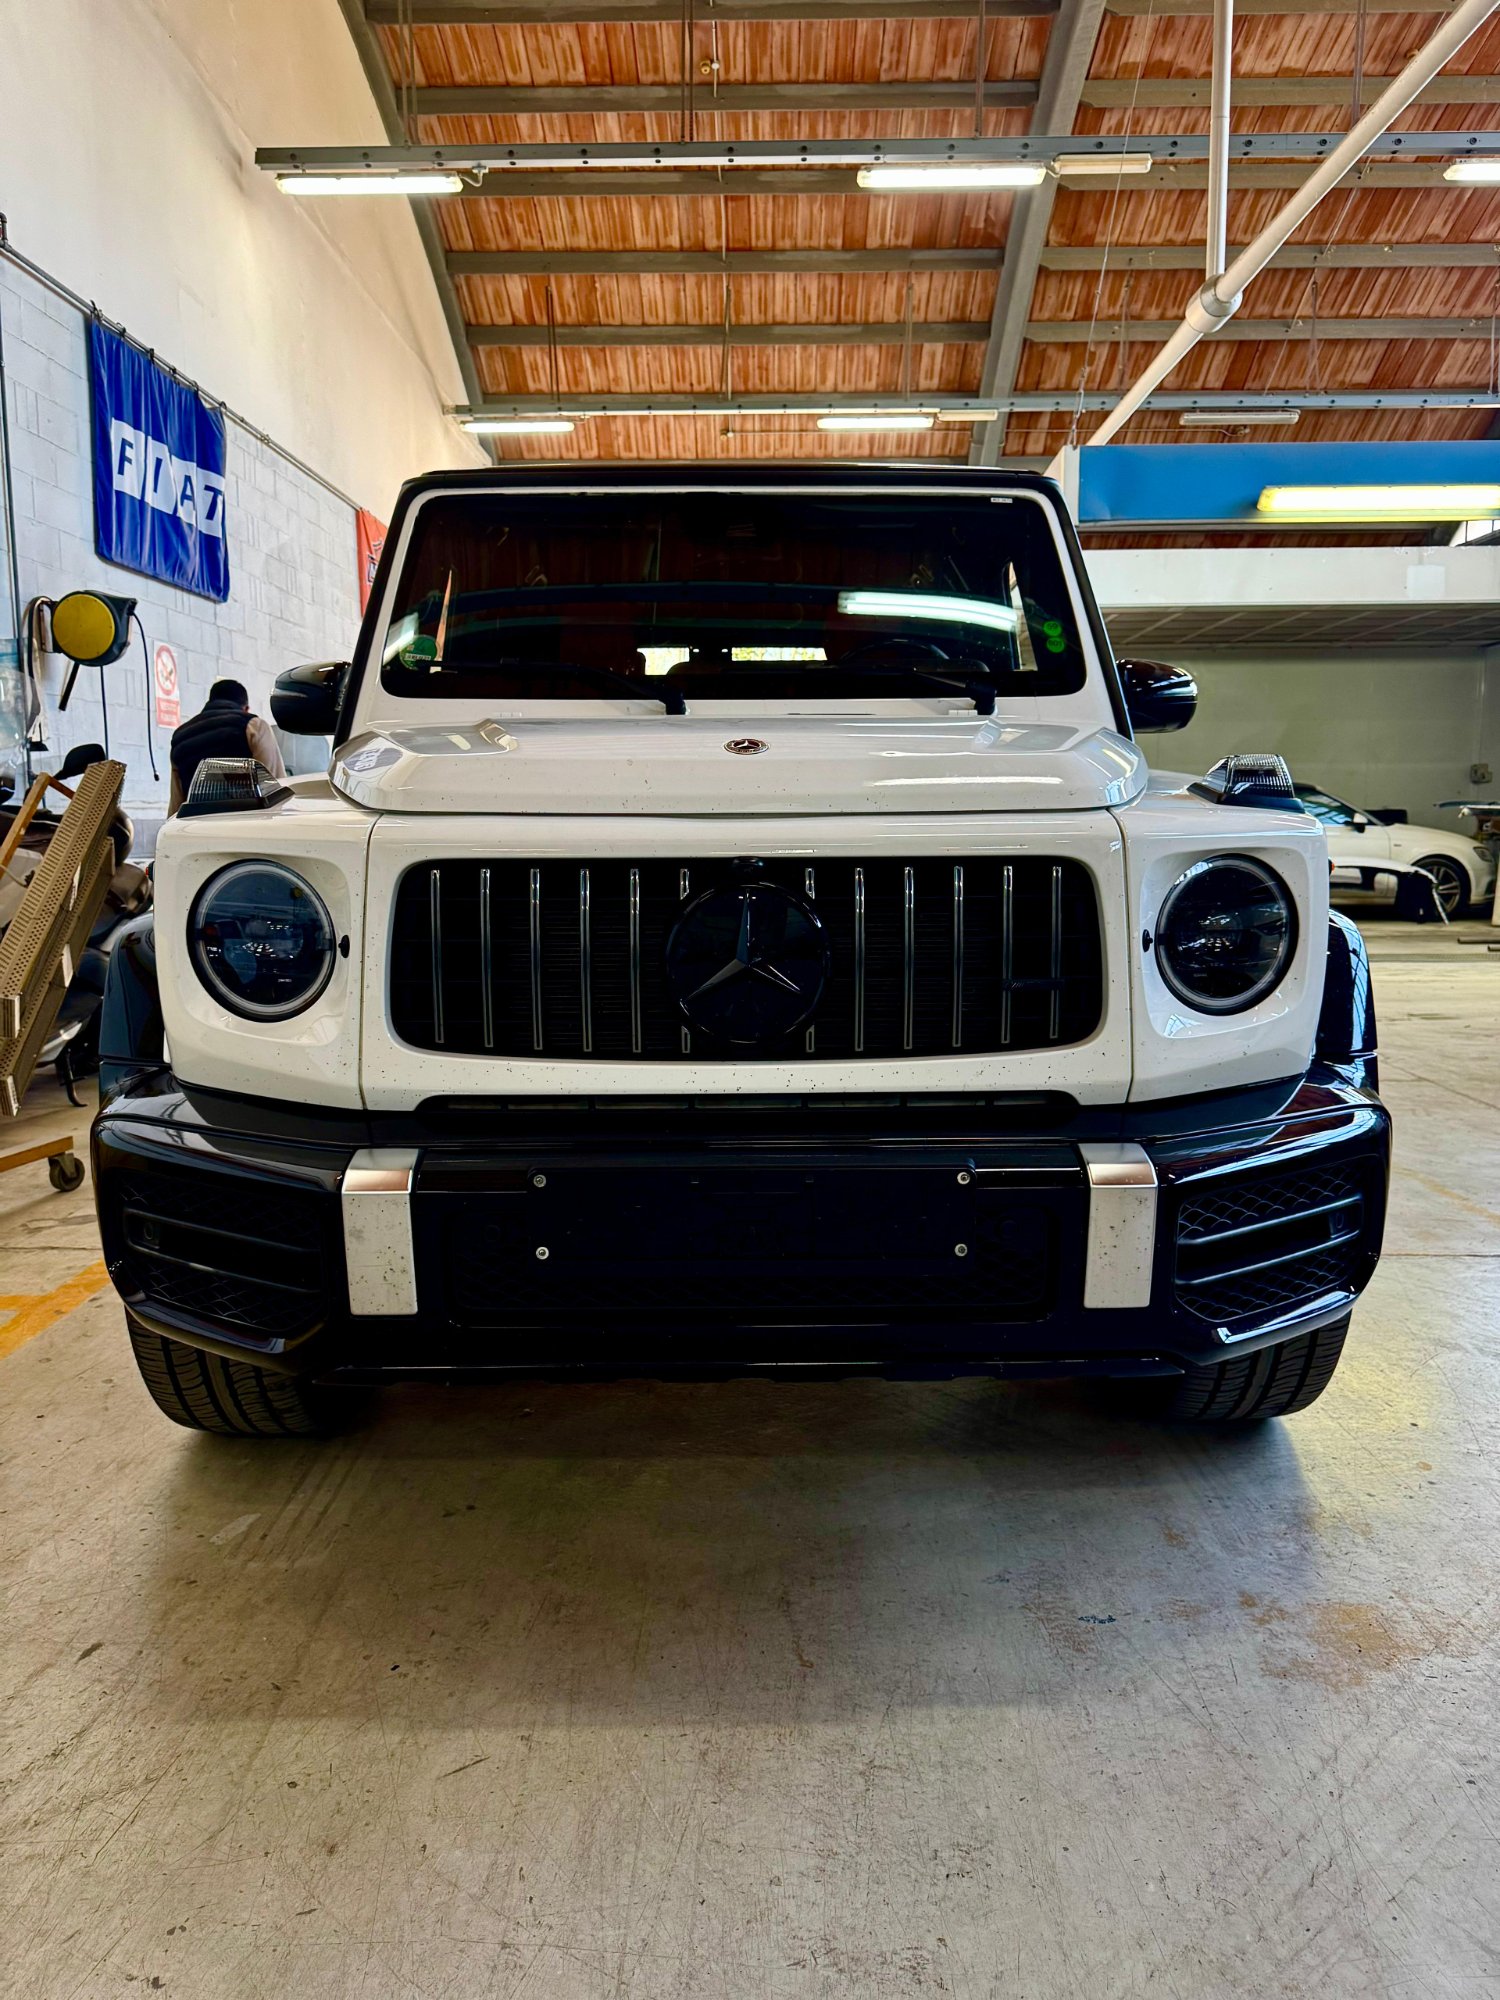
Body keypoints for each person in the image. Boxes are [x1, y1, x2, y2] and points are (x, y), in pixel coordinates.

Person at [168, 678, 287, 813]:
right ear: (246, 708)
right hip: (241, 824)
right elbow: (275, 786)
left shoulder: (180, 736)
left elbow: (176, 802)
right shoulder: (253, 726)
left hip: (198, 827)